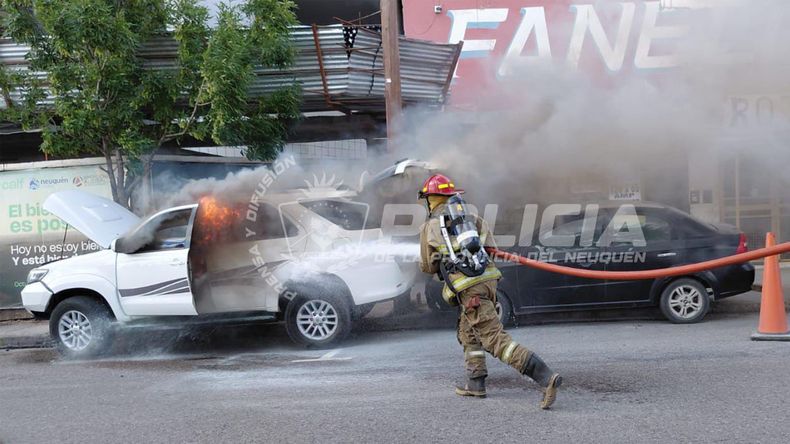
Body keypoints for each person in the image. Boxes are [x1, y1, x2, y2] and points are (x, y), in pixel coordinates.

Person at [418, 173, 562, 409]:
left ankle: (545, 377)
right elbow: (491, 249)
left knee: (494, 339)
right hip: (489, 281)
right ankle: (476, 384)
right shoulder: (473, 218)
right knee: (468, 333)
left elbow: (427, 266)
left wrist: (442, 260)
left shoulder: (430, 227)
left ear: (431, 199)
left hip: (468, 287)